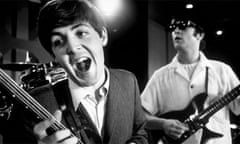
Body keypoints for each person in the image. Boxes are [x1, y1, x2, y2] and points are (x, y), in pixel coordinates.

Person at [1, 0, 148, 144]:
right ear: (55, 56)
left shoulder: (129, 81)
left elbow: (141, 132)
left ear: (102, 36)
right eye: (59, 42)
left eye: (81, 33)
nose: (72, 47)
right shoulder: (36, 103)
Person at [141, 17, 240, 144]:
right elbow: (140, 116)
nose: (176, 30)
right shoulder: (160, 76)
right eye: (173, 27)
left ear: (200, 35)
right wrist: (163, 124)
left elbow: (238, 108)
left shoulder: (222, 70)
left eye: (182, 26)